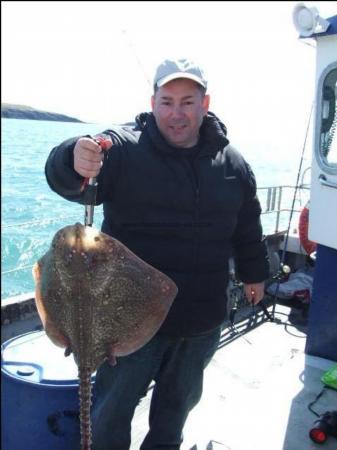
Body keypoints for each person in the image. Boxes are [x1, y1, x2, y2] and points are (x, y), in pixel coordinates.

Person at [45, 57, 269, 450]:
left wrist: (255, 272)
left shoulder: (232, 163)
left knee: (175, 412)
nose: (176, 113)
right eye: (167, 101)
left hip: (200, 318)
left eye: (187, 101)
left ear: (205, 103)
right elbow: (70, 176)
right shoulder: (125, 150)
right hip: (124, 327)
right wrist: (72, 157)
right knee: (111, 413)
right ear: (152, 103)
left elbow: (247, 224)